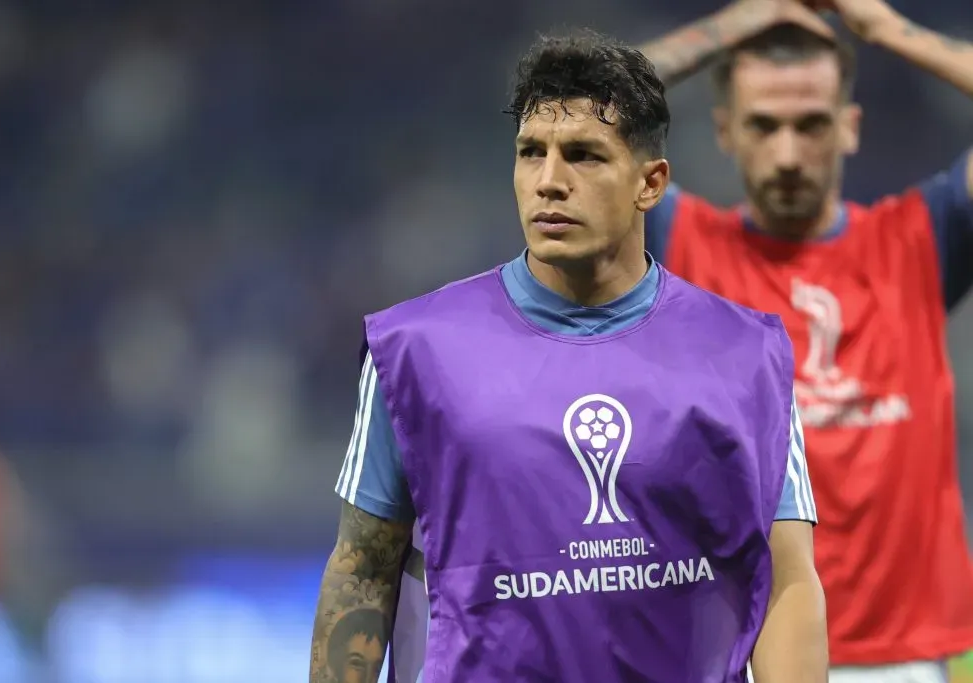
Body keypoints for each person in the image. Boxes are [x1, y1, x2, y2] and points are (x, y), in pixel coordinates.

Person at [309, 30, 827, 683]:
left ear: (651, 183)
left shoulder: (747, 355)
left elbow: (786, 583)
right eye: (532, 153)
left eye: (583, 155)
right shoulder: (413, 350)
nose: (549, 181)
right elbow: (360, 574)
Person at [635, 0, 973, 680]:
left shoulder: (917, 241)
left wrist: (887, 29)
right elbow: (575, 105)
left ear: (850, 128)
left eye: (811, 124)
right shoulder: (678, 247)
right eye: (765, 124)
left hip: (904, 659)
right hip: (737, 655)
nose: (788, 153)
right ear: (725, 130)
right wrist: (741, 20)